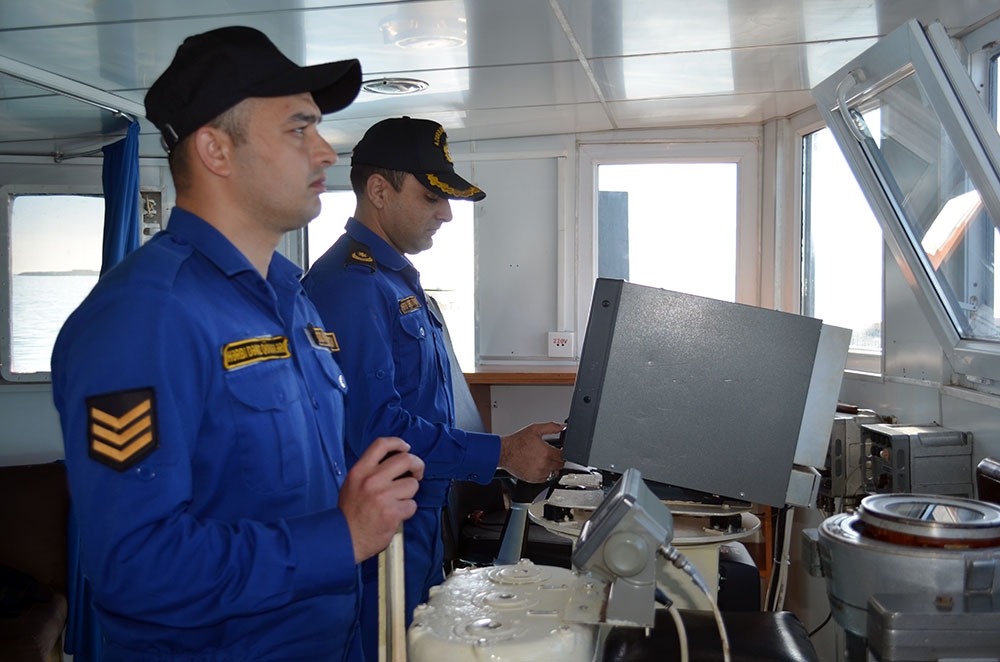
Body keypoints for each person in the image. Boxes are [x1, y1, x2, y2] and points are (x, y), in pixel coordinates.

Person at [50, 27, 424, 661]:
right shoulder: (142, 318)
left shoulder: (292, 300)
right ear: (216, 150)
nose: (327, 150)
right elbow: (137, 566)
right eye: (299, 129)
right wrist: (342, 537)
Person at [301, 116, 565, 658]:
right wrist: (504, 452)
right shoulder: (350, 288)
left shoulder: (394, 279)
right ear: (379, 191)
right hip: (380, 532)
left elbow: (426, 407)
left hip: (420, 517)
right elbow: (376, 433)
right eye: (430, 197)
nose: (446, 213)